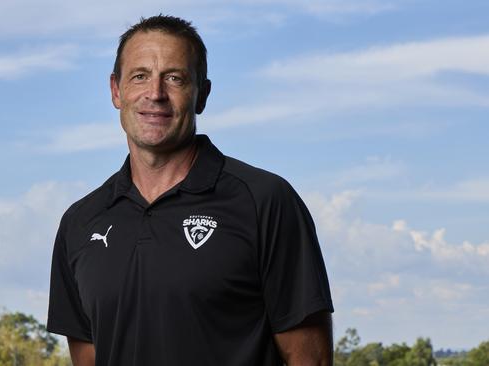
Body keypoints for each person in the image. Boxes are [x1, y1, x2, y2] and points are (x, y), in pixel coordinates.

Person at [47, 15, 334, 366]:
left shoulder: (266, 201)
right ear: (116, 91)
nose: (155, 94)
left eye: (175, 78)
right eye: (140, 76)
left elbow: (310, 360)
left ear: (202, 94)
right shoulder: (80, 222)